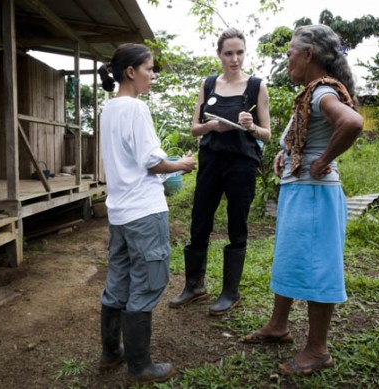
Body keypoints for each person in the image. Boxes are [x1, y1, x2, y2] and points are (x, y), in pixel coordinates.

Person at [243, 25, 364, 376]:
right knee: (291, 259)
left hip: (314, 194)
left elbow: (353, 123)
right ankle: (278, 325)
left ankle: (317, 349)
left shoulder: (321, 91)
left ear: (309, 54)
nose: (287, 60)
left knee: (317, 266)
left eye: (291, 53)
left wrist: (323, 160)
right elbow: (307, 137)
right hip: (302, 192)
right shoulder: (313, 92)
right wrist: (288, 153)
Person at [97, 43, 196, 386]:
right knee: (148, 280)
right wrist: (183, 164)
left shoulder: (107, 110)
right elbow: (153, 163)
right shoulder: (136, 110)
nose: (152, 75)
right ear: (130, 72)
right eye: (149, 69)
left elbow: (130, 161)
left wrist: (169, 166)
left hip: (120, 212)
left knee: (118, 281)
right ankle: (140, 366)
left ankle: (111, 353)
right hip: (144, 212)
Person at [169, 27, 271, 316]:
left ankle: (230, 292)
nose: (234, 59)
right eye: (228, 53)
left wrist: (251, 127)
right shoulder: (209, 83)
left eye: (239, 52)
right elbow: (194, 127)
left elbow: (267, 134)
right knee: (199, 220)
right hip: (211, 160)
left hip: (242, 163)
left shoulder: (256, 86)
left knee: (237, 224)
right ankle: (194, 286)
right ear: (219, 54)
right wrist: (211, 126)